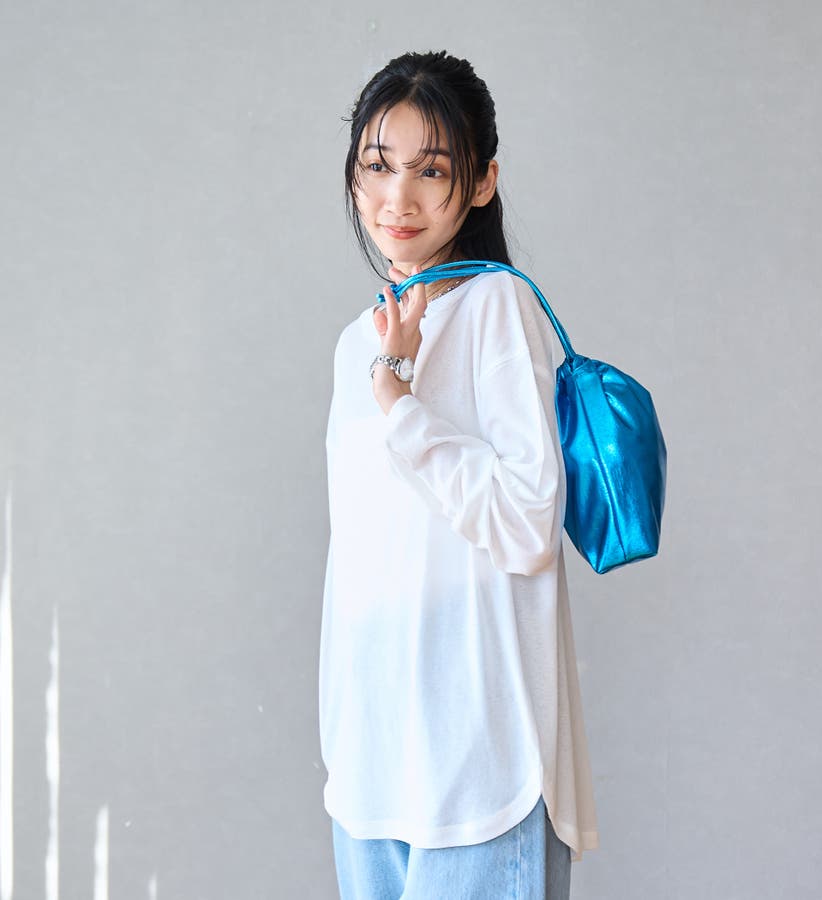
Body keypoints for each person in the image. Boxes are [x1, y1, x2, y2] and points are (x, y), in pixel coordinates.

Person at [319, 50, 599, 899]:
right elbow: (356, 567)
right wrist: (340, 741)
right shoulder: (356, 343)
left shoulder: (496, 307)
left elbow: (527, 523)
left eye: (431, 170)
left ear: (481, 184)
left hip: (481, 770)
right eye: (378, 166)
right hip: (371, 774)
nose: (397, 199)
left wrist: (400, 400)